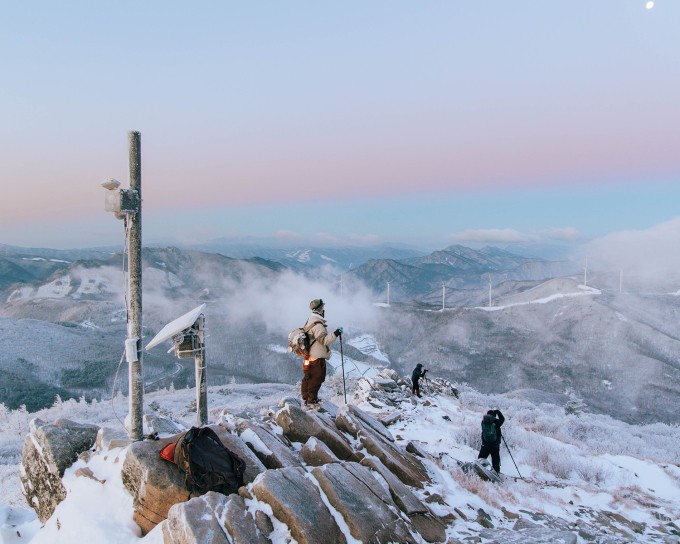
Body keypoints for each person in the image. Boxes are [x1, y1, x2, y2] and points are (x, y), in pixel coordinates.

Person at [301, 298, 342, 406]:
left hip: (308, 356)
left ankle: (305, 397)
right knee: (317, 378)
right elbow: (324, 340)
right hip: (317, 357)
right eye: (323, 308)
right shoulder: (318, 325)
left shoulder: (310, 321)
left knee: (308, 377)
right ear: (321, 309)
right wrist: (336, 333)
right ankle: (311, 400)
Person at [478, 409, 505, 473]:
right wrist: (498, 412)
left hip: (485, 445)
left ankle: (478, 468)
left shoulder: (483, 422)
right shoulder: (496, 422)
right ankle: (496, 473)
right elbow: (502, 419)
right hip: (495, 446)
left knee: (481, 459)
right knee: (495, 461)